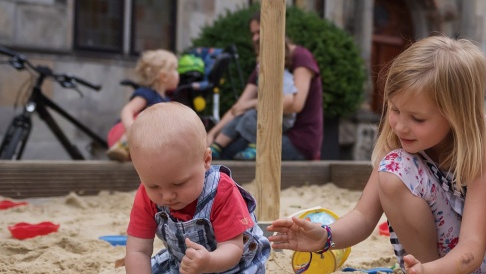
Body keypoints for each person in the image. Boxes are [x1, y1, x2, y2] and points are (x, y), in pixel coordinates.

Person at [267, 36, 486, 274]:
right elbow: (363, 216)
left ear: (456, 116)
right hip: (435, 266)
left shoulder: (484, 142)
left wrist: (434, 271)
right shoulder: (399, 140)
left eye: (417, 118)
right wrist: (325, 237)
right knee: (392, 168)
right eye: (394, 110)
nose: (401, 125)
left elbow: (472, 246)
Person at [121, 103, 271, 274]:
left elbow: (233, 248)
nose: (167, 196)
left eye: (178, 183)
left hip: (230, 266)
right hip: (185, 264)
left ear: (206, 160)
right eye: (154, 186)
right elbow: (137, 250)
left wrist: (209, 261)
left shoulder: (223, 191)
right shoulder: (146, 195)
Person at [206, 11, 323, 161]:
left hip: (297, 139)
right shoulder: (263, 67)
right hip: (268, 130)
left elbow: (295, 104)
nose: (255, 38)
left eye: (258, 32)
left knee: (231, 153)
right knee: (225, 148)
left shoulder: (300, 57)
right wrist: (212, 134)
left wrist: (251, 105)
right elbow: (238, 107)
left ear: (275, 30)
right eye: (252, 34)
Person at [210, 65, 298, 160]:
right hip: (259, 114)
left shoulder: (285, 78)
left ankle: (256, 146)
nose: (259, 64)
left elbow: (288, 100)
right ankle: (217, 146)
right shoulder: (262, 76)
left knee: (250, 115)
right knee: (240, 116)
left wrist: (255, 105)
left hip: (280, 120)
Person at [106, 49, 179, 162]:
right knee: (146, 118)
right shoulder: (147, 93)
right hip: (125, 134)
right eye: (175, 69)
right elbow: (127, 110)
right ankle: (123, 146)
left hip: (147, 143)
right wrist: (131, 128)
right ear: (164, 76)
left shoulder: (167, 100)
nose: (178, 73)